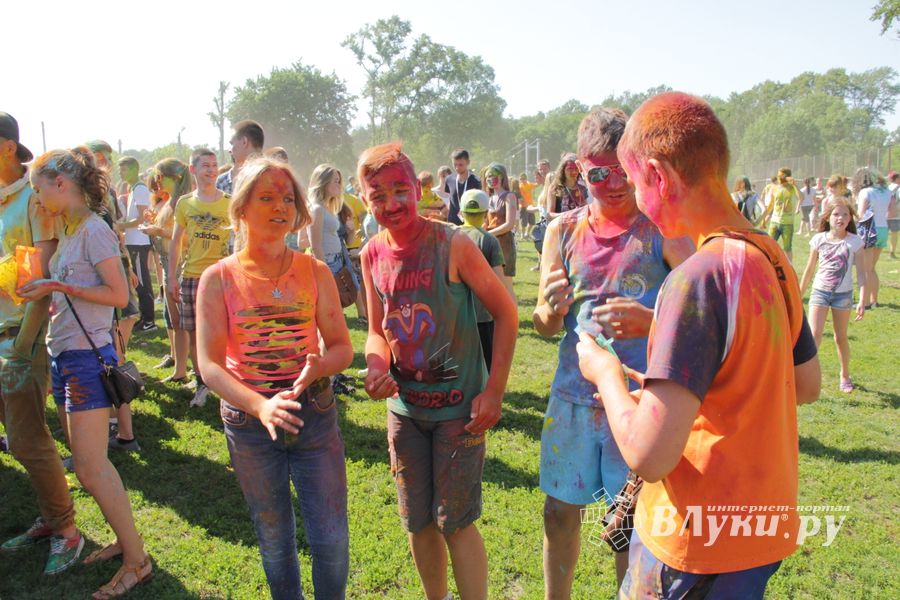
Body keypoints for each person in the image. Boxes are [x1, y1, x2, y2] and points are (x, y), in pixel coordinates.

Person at [577, 92, 820, 598]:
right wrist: (668, 381)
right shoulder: (772, 258)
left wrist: (605, 373)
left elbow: (648, 455)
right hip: (758, 531)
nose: (639, 200)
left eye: (637, 182)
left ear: (659, 178)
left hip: (694, 542)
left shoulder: (697, 278)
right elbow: (803, 383)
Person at [533, 107, 694, 596]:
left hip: (641, 404)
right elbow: (543, 323)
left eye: (622, 170)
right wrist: (550, 309)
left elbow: (700, 318)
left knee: (630, 525)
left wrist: (652, 323)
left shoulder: (663, 230)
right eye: (598, 173)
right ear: (579, 170)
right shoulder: (562, 231)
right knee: (559, 515)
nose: (613, 183)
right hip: (573, 400)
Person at [359, 142, 517, 600]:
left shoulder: (454, 244)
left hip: (459, 413)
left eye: (399, 190)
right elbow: (375, 330)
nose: (391, 204)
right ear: (365, 199)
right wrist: (375, 365)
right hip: (404, 413)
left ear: (417, 187)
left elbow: (507, 315)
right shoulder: (371, 254)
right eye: (377, 195)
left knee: (456, 522)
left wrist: (495, 392)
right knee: (418, 520)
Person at [197, 156, 351, 599]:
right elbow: (208, 365)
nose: (280, 207)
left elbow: (341, 346)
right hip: (249, 425)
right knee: (274, 537)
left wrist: (322, 365)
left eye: (287, 198)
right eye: (266, 197)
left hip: (314, 414)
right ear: (242, 208)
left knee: (331, 538)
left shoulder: (314, 271)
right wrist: (260, 405)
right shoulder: (217, 278)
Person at [21, 147, 151, 598]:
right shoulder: (72, 228)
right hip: (66, 356)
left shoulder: (93, 229)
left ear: (60, 184)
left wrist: (58, 285)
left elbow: (118, 295)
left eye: (39, 188)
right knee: (93, 465)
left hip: (85, 359)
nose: (37, 198)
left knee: (92, 469)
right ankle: (125, 540)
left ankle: (137, 561)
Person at [0, 112, 83, 576]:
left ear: (8, 146)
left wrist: (21, 348)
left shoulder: (31, 201)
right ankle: (51, 517)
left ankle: (67, 530)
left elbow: (40, 278)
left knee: (29, 440)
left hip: (20, 337)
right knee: (18, 440)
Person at [168, 148, 231, 408]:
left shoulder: (229, 201)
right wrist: (171, 278)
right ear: (193, 170)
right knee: (194, 333)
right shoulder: (185, 203)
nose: (211, 169)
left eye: (214, 165)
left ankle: (227, 382)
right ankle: (202, 383)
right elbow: (175, 243)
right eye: (205, 165)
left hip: (222, 277)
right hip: (192, 276)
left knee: (225, 331)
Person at [799, 201, 867, 392]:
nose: (841, 219)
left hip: (843, 296)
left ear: (850, 219)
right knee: (814, 335)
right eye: (836, 214)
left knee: (840, 337)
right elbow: (810, 269)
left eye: (845, 215)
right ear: (828, 217)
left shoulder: (855, 242)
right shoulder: (819, 239)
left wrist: (862, 299)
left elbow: (862, 273)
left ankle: (844, 375)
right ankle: (805, 375)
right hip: (819, 292)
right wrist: (798, 295)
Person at [141, 159, 193, 381]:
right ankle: (180, 370)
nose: (157, 182)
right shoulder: (171, 201)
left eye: (161, 177)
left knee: (183, 323)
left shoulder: (185, 202)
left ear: (176, 178)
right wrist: (156, 225)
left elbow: (189, 238)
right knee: (175, 322)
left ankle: (191, 372)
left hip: (180, 266)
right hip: (168, 265)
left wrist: (158, 231)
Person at [458, 189, 505, 371]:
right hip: (483, 315)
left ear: (461, 213)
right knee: (485, 363)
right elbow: (499, 282)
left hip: (457, 314)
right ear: (486, 214)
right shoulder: (490, 241)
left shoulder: (450, 236)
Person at [304, 164, 359, 315]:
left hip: (336, 261)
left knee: (334, 309)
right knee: (330, 310)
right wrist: (325, 272)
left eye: (339, 181)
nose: (339, 185)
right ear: (324, 181)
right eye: (335, 181)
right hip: (327, 262)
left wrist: (351, 230)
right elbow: (315, 245)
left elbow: (344, 241)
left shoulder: (327, 208)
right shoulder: (317, 209)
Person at [115, 157, 156, 332]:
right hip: (133, 241)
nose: (121, 173)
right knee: (137, 281)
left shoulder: (140, 189)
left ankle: (149, 321)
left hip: (139, 241)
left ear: (133, 169)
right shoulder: (134, 189)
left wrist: (121, 225)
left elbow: (141, 217)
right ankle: (144, 318)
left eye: (124, 169)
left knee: (142, 281)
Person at [854, 168, 895, 308]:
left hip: (869, 229)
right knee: (871, 268)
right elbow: (893, 212)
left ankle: (864, 302)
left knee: (865, 269)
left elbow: (861, 214)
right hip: (883, 229)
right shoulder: (888, 191)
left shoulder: (865, 192)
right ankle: (873, 301)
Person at [484, 163, 518, 298]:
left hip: (505, 244)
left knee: (506, 286)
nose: (491, 179)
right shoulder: (489, 198)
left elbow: (509, 224)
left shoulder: (509, 197)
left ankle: (512, 318)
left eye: (494, 175)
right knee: (494, 285)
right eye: (488, 176)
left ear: (502, 176)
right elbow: (486, 223)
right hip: (490, 244)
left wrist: (488, 234)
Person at [760, 167, 801, 262]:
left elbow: (801, 198)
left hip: (787, 223)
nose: (779, 177)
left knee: (787, 248)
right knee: (768, 246)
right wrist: (764, 219)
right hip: (774, 222)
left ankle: (789, 268)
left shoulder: (792, 188)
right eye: (778, 175)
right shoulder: (775, 188)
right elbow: (771, 205)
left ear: (787, 176)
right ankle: (768, 264)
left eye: (781, 175)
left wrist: (795, 185)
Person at [342, 185, 369, 323]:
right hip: (341, 247)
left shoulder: (353, 200)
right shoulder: (327, 202)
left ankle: (363, 314)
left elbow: (365, 218)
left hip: (355, 246)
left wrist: (363, 238)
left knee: (356, 282)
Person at [216, 120, 264, 194]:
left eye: (232, 143)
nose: (230, 150)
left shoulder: (269, 178)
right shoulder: (222, 182)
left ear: (244, 142)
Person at [443, 149, 481, 225]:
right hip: (452, 223)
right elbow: (450, 199)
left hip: (470, 223)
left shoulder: (476, 181)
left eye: (460, 165)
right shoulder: (449, 179)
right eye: (455, 165)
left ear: (468, 162)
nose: (457, 168)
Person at [545, 153, 588, 220]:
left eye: (576, 168)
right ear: (563, 170)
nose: (574, 172)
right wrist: (569, 215)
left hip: (579, 228)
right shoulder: (555, 188)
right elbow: (549, 215)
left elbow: (586, 211)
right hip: (561, 229)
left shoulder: (582, 188)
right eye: (570, 169)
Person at [517, 173, 537, 240]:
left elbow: (536, 185)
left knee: (532, 222)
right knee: (524, 221)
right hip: (523, 206)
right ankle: (522, 235)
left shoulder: (529, 184)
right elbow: (521, 197)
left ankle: (527, 233)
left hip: (530, 206)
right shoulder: (520, 187)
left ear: (526, 179)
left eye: (523, 179)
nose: (522, 180)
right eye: (520, 179)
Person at [887, 171, 899, 258]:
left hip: (885, 215)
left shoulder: (886, 188)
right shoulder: (898, 188)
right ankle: (892, 252)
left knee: (883, 234)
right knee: (894, 234)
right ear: (897, 179)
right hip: (896, 215)